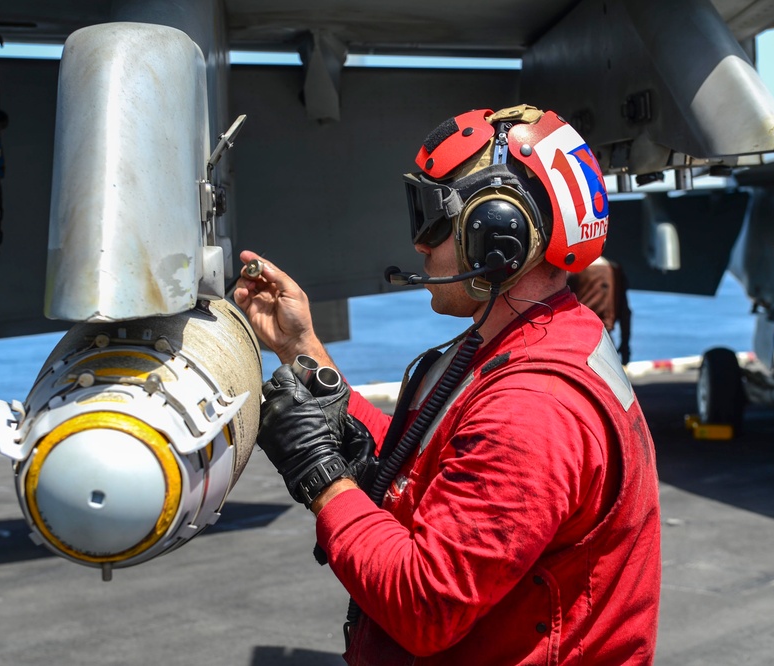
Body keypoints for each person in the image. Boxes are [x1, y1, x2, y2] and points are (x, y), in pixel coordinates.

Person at [234, 104, 661, 665]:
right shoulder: (532, 336)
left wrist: (320, 477)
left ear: (497, 233)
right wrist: (302, 349)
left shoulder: (532, 408)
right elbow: (423, 461)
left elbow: (426, 606)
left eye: (432, 218)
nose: (420, 245)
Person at [568, 256, 632, 365]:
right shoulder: (615, 271)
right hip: (605, 342)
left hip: (579, 340)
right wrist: (625, 346)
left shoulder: (575, 270)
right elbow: (625, 313)